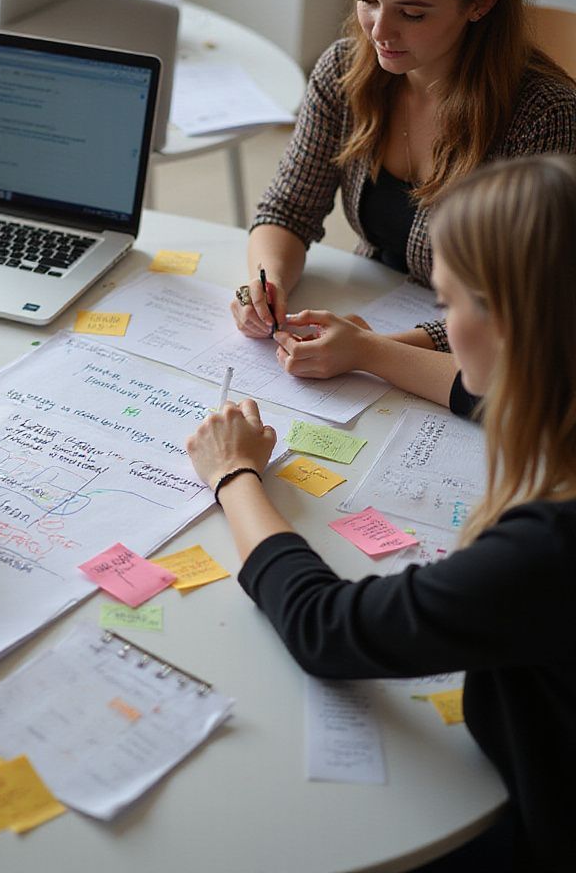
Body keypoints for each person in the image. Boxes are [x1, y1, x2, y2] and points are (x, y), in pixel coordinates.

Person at [191, 153, 576, 871]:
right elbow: (490, 393)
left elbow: (323, 627)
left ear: (512, 325)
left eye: (446, 307)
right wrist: (367, 351)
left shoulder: (547, 551)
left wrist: (235, 474)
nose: (445, 327)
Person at [232, 0, 576, 383]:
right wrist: (266, 286)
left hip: (479, 362)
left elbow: (514, 308)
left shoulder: (545, 117)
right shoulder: (346, 70)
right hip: (374, 312)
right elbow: (287, 208)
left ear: (480, 4)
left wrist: (372, 350)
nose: (379, 31)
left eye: (411, 13)